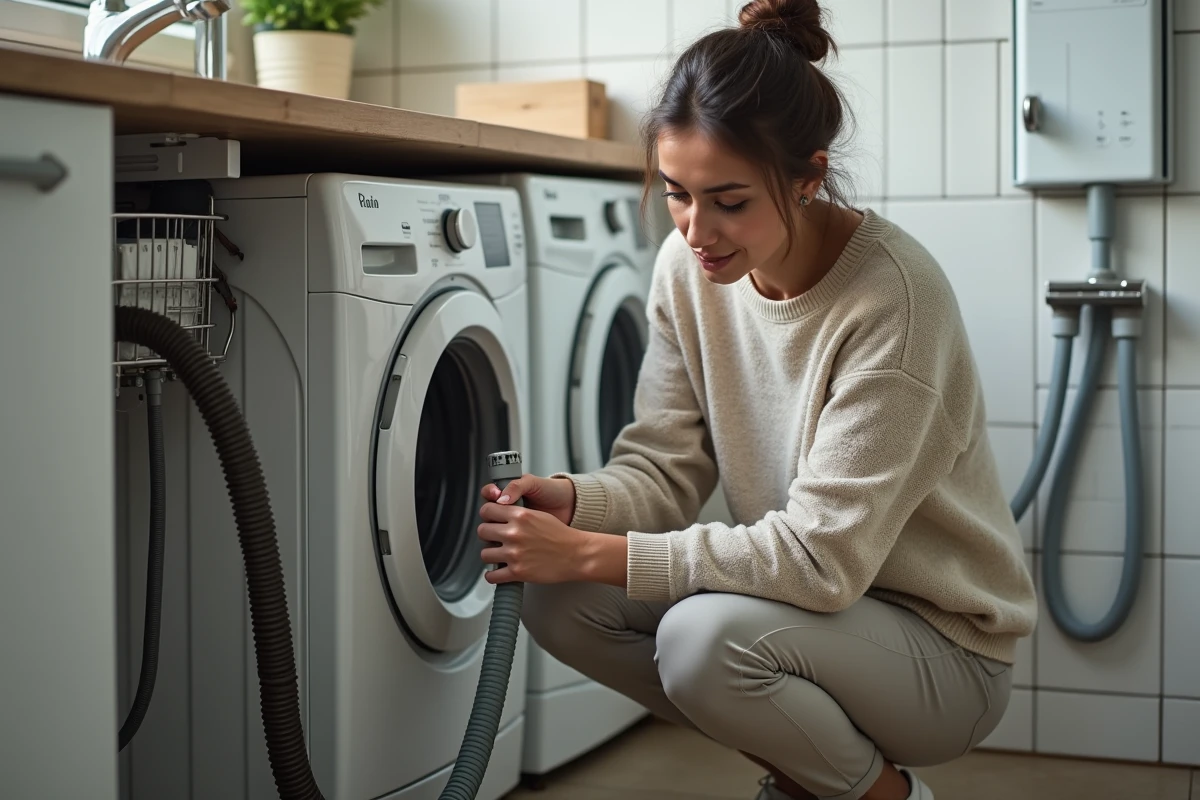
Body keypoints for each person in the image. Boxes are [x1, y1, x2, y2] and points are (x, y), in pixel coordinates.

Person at [475, 1, 1038, 798]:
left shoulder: (894, 302)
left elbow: (820, 562)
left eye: (729, 200)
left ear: (809, 177)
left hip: (940, 653)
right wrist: (573, 505)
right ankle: (809, 771)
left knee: (703, 641)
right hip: (797, 612)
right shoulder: (686, 268)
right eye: (676, 193)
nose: (697, 229)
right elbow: (664, 471)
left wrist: (599, 554)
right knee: (557, 599)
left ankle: (884, 795)